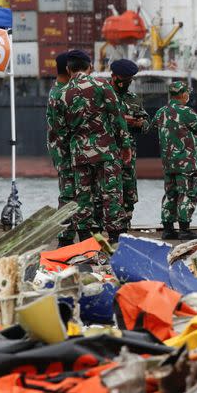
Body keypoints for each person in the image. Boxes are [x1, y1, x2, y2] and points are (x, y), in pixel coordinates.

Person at [56, 49, 131, 244]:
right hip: (106, 152)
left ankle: (85, 241)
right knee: (111, 194)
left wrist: (64, 157)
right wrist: (125, 146)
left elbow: (59, 131)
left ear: (67, 68)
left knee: (83, 197)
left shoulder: (62, 93)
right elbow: (118, 118)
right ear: (89, 66)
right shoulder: (103, 86)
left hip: (78, 154)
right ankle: (114, 240)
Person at [150, 81, 197, 240]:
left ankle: (168, 229)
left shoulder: (161, 111)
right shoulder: (186, 111)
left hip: (168, 162)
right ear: (182, 94)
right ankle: (185, 229)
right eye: (187, 92)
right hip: (186, 162)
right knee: (187, 193)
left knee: (170, 194)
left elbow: (153, 126)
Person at [110, 59, 148, 229]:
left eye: (130, 80)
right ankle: (107, 226)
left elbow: (147, 124)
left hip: (128, 154)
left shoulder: (133, 99)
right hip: (107, 151)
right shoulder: (104, 95)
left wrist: (139, 124)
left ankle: (125, 224)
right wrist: (123, 120)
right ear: (114, 76)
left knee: (128, 189)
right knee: (107, 191)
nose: (127, 83)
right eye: (124, 79)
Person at [46, 51, 76, 247]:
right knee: (68, 195)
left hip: (62, 150)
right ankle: (64, 240)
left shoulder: (58, 90)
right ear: (68, 68)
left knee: (69, 193)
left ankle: (67, 238)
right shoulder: (61, 93)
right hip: (65, 152)